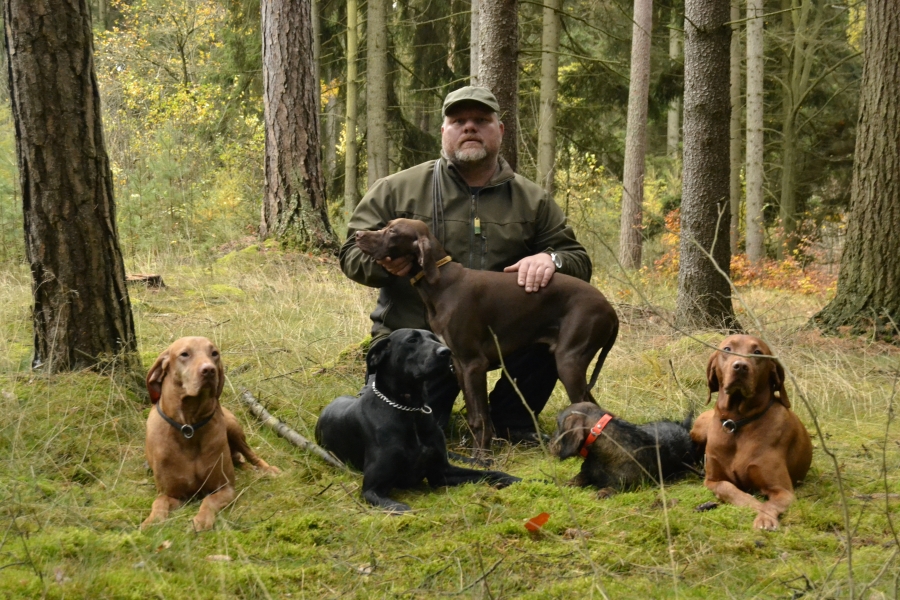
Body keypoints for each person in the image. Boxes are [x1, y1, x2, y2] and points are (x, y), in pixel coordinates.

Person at [339, 86, 593, 443]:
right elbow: (350, 253)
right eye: (458, 121)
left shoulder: (532, 200)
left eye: (481, 120)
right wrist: (389, 264)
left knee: (551, 332)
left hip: (503, 339)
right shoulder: (397, 188)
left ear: (499, 131)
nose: (469, 127)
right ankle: (431, 417)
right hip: (417, 340)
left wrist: (549, 259)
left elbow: (577, 260)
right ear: (443, 131)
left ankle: (510, 424)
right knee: (404, 437)